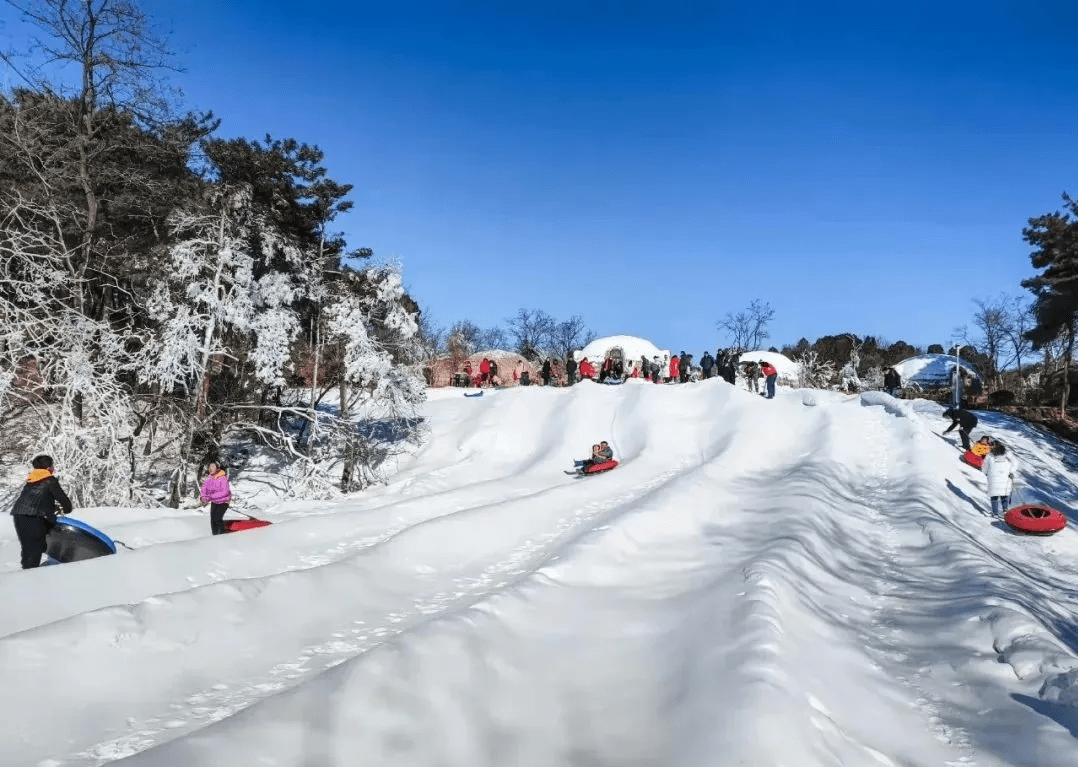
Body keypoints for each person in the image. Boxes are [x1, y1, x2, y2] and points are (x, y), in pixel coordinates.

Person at [10, 454, 72, 569]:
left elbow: (37, 499)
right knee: (34, 550)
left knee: (31, 547)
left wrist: (54, 508)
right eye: (52, 465)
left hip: (19, 515)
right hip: (34, 518)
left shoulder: (32, 479)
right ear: (48, 468)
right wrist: (67, 509)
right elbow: (62, 498)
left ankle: (29, 572)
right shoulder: (49, 480)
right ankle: (31, 578)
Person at [982, 441, 1016, 516]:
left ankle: (995, 513)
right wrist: (1011, 472)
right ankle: (1005, 510)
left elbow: (984, 467)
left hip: (994, 479)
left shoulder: (989, 456)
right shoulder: (1008, 455)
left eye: (992, 446)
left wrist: (986, 473)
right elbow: (1015, 463)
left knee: (994, 496)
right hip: (1005, 478)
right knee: (1004, 495)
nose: (990, 447)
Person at [200, 460, 233, 536]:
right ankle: (215, 537)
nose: (210, 468)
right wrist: (203, 497)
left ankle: (222, 537)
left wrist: (211, 497)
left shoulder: (222, 478)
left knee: (217, 520)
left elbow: (225, 492)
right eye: (209, 467)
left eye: (212, 466)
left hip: (224, 502)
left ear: (217, 468)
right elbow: (204, 489)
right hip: (214, 502)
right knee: (212, 521)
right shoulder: (208, 479)